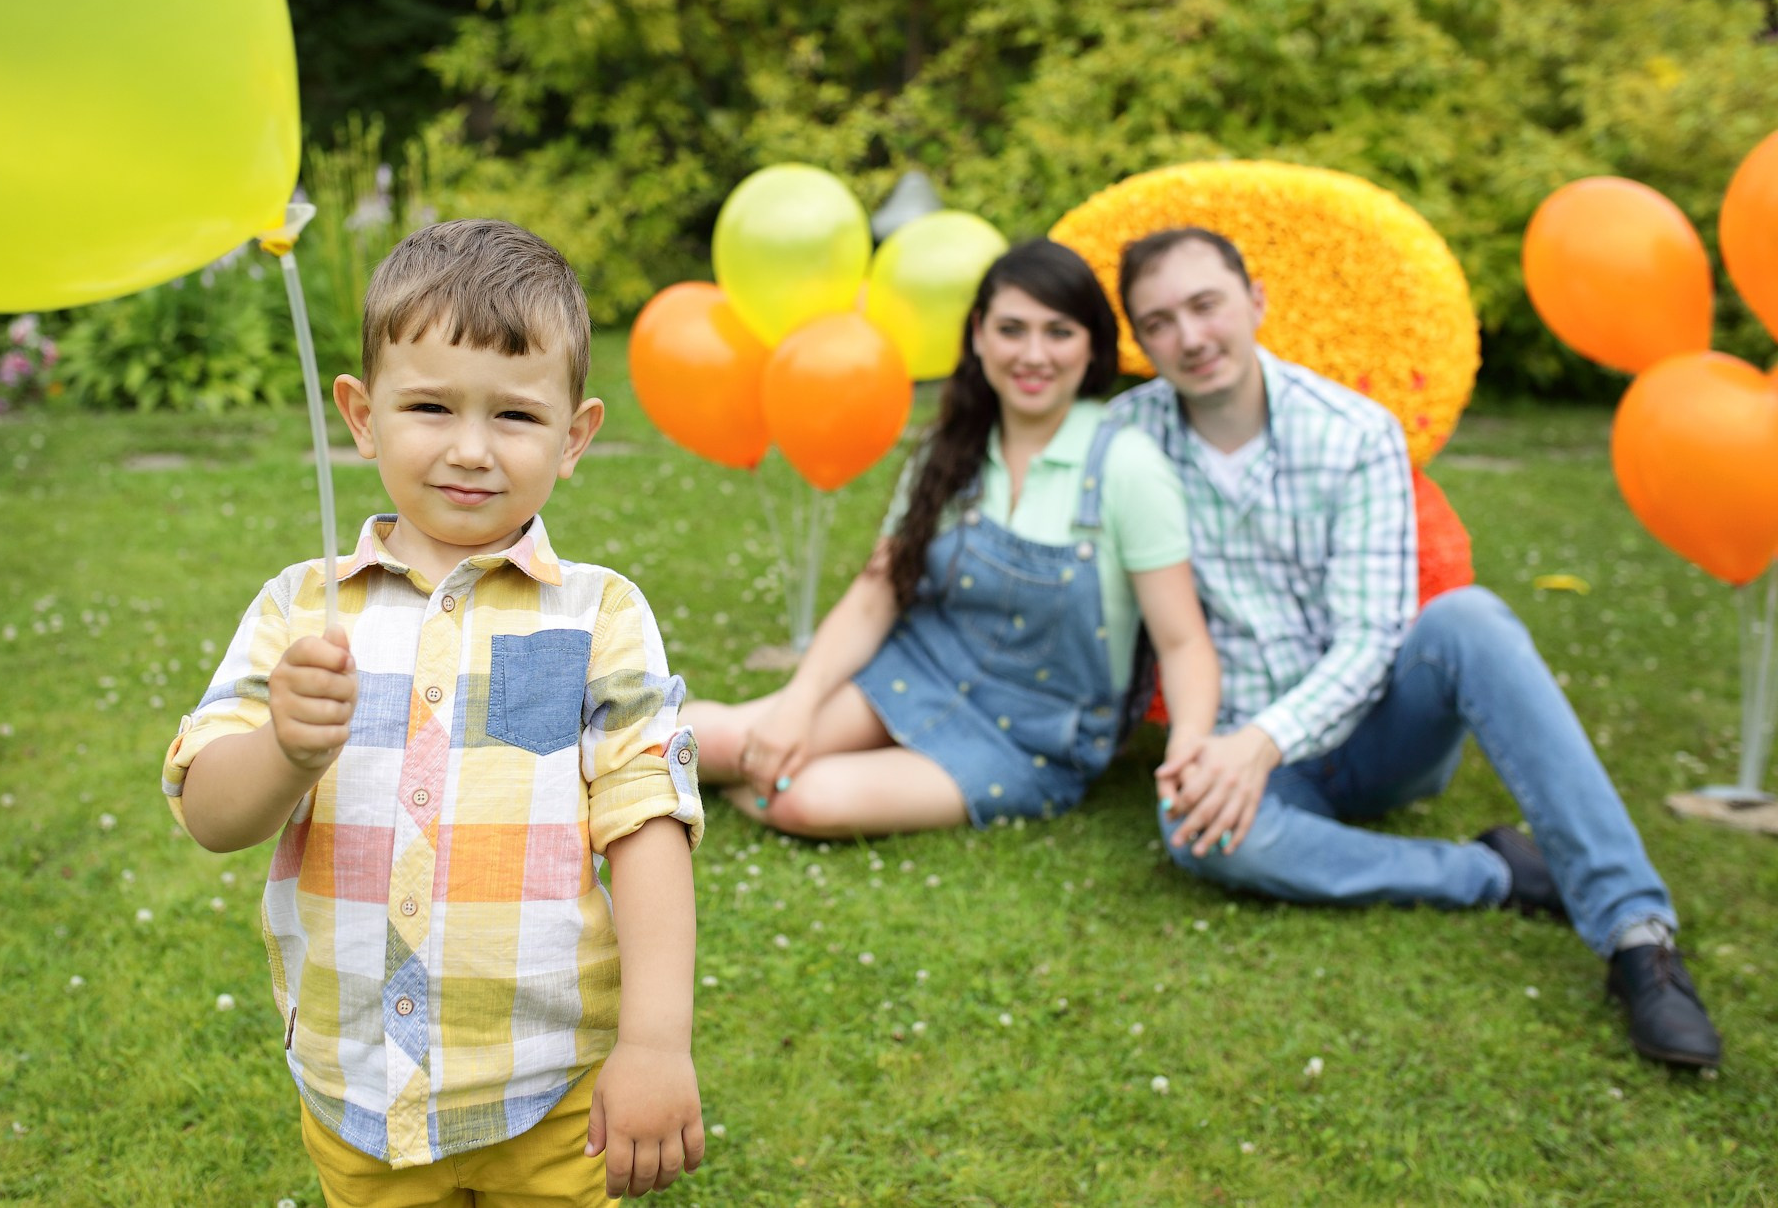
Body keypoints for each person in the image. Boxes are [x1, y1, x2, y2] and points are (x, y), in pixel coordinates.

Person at [160, 220, 707, 1204]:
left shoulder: (599, 614)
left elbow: (648, 823)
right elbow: (211, 815)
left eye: (515, 415)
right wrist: (285, 748)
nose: (470, 449)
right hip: (356, 1083)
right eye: (428, 406)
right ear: (361, 415)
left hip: (551, 1081)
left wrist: (657, 1042)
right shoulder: (303, 608)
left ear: (574, 436)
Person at [1105, 225, 1723, 1069]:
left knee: (1468, 617)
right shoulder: (1127, 440)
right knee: (1193, 832)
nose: (1190, 336)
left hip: (1378, 734)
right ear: (1141, 342)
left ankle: (1637, 936)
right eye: (1159, 322)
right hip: (1248, 748)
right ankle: (1493, 873)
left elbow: (1371, 641)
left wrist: (1260, 742)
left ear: (1255, 301)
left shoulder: (1355, 431)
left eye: (1205, 305)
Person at [682, 238, 1220, 837]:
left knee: (805, 801)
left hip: (1031, 738)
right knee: (708, 739)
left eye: (1059, 332)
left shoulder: (1128, 465)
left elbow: (1182, 642)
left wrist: (1189, 748)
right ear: (979, 335)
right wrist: (798, 704)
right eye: (1011, 330)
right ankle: (644, 761)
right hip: (916, 672)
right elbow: (876, 594)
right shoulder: (953, 447)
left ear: (1092, 344)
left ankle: (729, 782)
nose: (1033, 354)